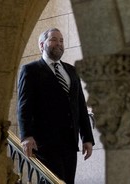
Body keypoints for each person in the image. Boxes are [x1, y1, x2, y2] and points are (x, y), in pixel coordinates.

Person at [17, 28, 95, 184]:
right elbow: (24, 106)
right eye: (53, 39)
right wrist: (26, 136)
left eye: (61, 40)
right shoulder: (30, 70)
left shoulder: (72, 71)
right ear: (41, 44)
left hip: (70, 143)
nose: (59, 44)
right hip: (44, 143)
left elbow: (79, 105)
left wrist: (87, 137)